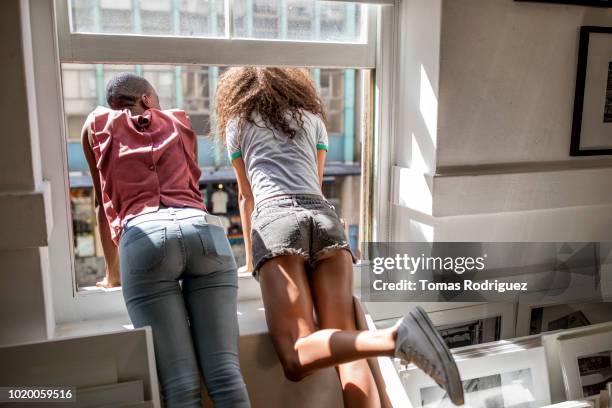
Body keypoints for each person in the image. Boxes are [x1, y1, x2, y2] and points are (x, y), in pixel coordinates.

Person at [215, 67, 464, 407]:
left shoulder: (239, 124)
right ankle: (390, 339)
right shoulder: (311, 119)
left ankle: (395, 337)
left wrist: (250, 260)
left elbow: (246, 197)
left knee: (295, 356)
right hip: (324, 218)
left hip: (275, 219)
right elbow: (315, 185)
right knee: (350, 359)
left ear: (240, 92)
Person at [81, 72, 251, 408]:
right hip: (204, 231)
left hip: (145, 236)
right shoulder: (178, 121)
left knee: (181, 386)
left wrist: (112, 274)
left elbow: (103, 203)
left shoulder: (98, 124)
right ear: (146, 99)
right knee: (226, 374)